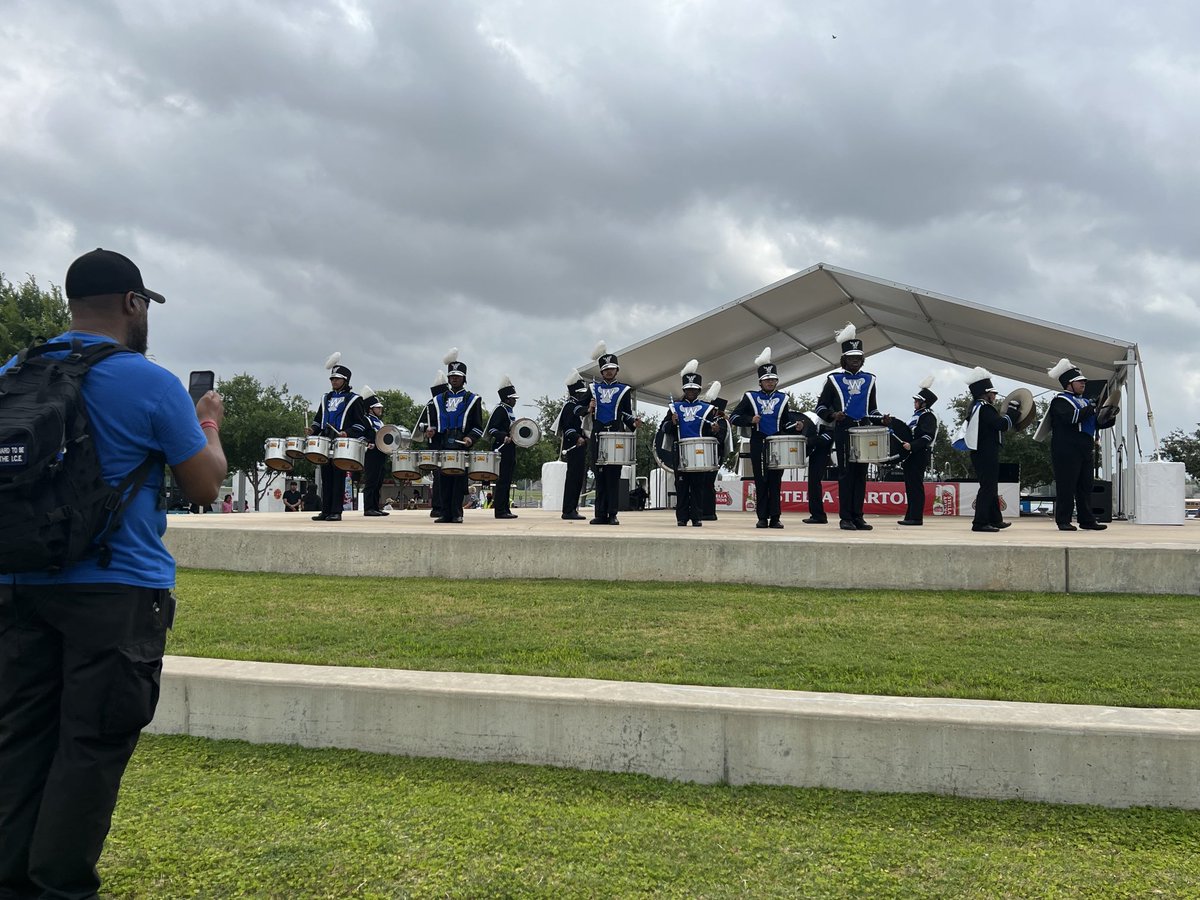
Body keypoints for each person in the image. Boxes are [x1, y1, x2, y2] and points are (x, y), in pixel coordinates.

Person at [0, 247, 227, 899]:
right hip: (116, 588)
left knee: (19, 742)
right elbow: (205, 485)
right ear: (133, 304)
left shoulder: (14, 371)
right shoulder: (148, 381)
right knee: (89, 748)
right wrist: (207, 420)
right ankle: (62, 888)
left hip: (17, 583)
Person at [816, 323, 889, 531]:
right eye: (851, 358)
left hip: (864, 430)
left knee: (861, 475)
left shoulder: (870, 379)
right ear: (844, 360)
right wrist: (833, 415)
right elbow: (820, 407)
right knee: (846, 474)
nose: (855, 361)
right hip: (843, 429)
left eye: (858, 358)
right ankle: (845, 517)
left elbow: (872, 410)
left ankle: (858, 516)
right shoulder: (833, 380)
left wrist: (881, 419)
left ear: (862, 359)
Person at [1038, 358, 1117, 531]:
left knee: (1085, 486)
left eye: (1083, 381)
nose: (1083, 384)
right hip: (1066, 448)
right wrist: (1091, 407)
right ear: (1068, 384)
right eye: (1079, 381)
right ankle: (1063, 520)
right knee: (1066, 485)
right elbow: (1071, 418)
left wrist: (1109, 414)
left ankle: (1087, 520)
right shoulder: (1060, 401)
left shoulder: (1085, 402)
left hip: (1084, 446)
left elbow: (1097, 423)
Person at [728, 347, 802, 529]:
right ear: (760, 382)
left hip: (777, 443)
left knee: (776, 482)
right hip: (758, 442)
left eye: (773, 379)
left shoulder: (783, 398)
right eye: (767, 380)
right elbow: (733, 417)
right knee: (761, 481)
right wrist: (750, 420)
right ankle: (762, 517)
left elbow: (785, 424)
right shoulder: (750, 397)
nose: (770, 382)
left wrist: (796, 427)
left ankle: (775, 517)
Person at [424, 349, 483, 523]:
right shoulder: (439, 400)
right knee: (442, 481)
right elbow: (433, 422)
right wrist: (431, 430)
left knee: (458, 481)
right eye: (451, 376)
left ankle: (457, 513)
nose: (454, 379)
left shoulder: (473, 399)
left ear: (464, 378)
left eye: (457, 376)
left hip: (460, 444)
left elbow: (478, 427)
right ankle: (444, 513)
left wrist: (470, 438)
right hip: (443, 443)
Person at [309, 353, 369, 522]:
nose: (334, 382)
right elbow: (318, 419)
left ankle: (336, 511)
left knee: (338, 477)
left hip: (342, 443)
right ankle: (326, 510)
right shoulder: (326, 398)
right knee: (325, 477)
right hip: (326, 441)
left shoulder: (354, 399)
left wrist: (347, 433)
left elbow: (360, 424)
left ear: (345, 380)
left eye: (337, 379)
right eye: (332, 379)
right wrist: (312, 430)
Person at [660, 360, 721, 527]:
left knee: (697, 486)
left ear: (698, 390)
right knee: (681, 486)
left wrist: (715, 429)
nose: (691, 392)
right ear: (684, 390)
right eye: (688, 389)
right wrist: (672, 422)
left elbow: (710, 430)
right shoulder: (674, 407)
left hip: (699, 452)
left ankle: (696, 516)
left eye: (694, 389)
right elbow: (664, 428)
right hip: (680, 450)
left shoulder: (706, 409)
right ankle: (681, 517)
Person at [587, 341, 641, 525]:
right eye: (605, 369)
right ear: (601, 371)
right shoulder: (593, 388)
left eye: (612, 369)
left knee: (613, 476)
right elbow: (578, 408)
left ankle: (612, 514)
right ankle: (599, 513)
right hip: (597, 434)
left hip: (615, 434)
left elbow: (626, 413)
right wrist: (588, 407)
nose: (609, 372)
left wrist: (633, 422)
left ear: (616, 370)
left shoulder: (624, 389)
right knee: (599, 475)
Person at [963, 367, 1020, 533]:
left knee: (991, 486)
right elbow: (1001, 425)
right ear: (984, 393)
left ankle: (995, 519)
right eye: (992, 393)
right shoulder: (984, 408)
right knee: (987, 487)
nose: (995, 396)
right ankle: (979, 522)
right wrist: (1012, 411)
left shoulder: (976, 407)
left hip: (983, 452)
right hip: (985, 452)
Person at [892, 376, 939, 526]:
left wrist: (912, 445)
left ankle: (916, 517)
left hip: (919, 453)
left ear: (924, 403)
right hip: (911, 455)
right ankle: (910, 516)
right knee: (910, 487)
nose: (915, 403)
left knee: (916, 486)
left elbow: (927, 436)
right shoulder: (917, 416)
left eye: (917, 401)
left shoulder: (928, 416)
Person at [555, 371, 591, 520]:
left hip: (580, 446)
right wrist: (577, 437)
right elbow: (568, 427)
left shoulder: (576, 405)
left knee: (577, 478)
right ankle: (568, 510)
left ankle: (572, 509)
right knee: (573, 479)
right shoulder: (570, 406)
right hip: (574, 446)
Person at [414, 371, 448, 519]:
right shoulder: (430, 405)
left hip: (448, 443)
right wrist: (428, 428)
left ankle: (446, 506)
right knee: (439, 476)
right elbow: (419, 426)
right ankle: (438, 507)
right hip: (435, 444)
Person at [485, 376, 519, 519]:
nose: (515, 401)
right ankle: (500, 510)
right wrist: (503, 436)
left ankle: (505, 508)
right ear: (506, 399)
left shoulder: (508, 410)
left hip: (510, 448)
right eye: (513, 398)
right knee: (502, 480)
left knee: (507, 479)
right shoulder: (500, 410)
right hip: (501, 447)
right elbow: (491, 429)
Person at [699, 382, 732, 521]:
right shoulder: (707, 420)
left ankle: (709, 512)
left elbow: (720, 438)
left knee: (708, 483)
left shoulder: (722, 422)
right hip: (703, 455)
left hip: (714, 456)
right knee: (701, 483)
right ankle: (701, 510)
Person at [796, 411, 834, 524]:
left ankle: (819, 515)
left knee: (815, 483)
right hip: (816, 454)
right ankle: (816, 514)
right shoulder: (817, 421)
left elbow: (824, 439)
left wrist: (809, 440)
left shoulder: (831, 425)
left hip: (823, 455)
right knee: (813, 484)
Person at [360, 388, 388, 516]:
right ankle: (368, 508)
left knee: (378, 481)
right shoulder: (366, 419)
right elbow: (360, 435)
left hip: (381, 453)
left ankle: (376, 507)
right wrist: (367, 443)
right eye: (378, 408)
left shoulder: (379, 421)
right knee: (371, 481)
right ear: (371, 409)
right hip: (371, 454)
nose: (380, 410)